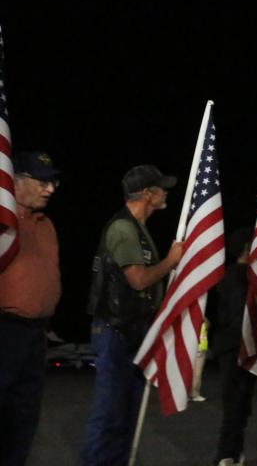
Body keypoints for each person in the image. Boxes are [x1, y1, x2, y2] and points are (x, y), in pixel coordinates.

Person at [81, 165, 183, 466]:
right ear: (148, 194)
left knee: (127, 412)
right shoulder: (123, 229)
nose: (165, 193)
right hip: (115, 330)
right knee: (110, 412)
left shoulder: (137, 229)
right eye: (161, 188)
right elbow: (138, 279)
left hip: (131, 331)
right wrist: (171, 261)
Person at [0, 151, 61, 466]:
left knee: (25, 419)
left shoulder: (46, 225)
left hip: (36, 337)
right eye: (42, 181)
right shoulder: (3, 225)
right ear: (16, 181)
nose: (50, 189)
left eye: (53, 182)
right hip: (5, 332)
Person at [211, 227, 257, 466]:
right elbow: (241, 314)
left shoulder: (225, 275)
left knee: (238, 403)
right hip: (238, 345)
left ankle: (233, 452)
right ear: (247, 249)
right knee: (236, 404)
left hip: (228, 344)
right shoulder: (242, 277)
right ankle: (226, 454)